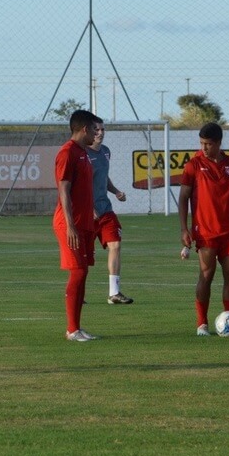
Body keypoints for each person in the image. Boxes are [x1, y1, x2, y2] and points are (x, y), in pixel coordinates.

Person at [179, 122, 229, 336]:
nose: (204, 148)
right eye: (201, 143)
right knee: (206, 275)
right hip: (206, 232)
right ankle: (202, 323)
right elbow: (183, 198)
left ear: (219, 143)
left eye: (208, 144)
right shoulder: (193, 165)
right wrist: (184, 229)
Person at [53, 109, 102, 342]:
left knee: (83, 273)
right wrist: (71, 225)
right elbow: (63, 189)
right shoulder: (67, 153)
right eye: (94, 129)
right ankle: (71, 330)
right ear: (84, 129)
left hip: (85, 223)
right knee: (78, 271)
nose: (97, 132)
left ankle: (77, 328)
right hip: (70, 224)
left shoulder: (83, 153)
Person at [86, 120, 134, 304]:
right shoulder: (82, 154)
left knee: (115, 245)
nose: (100, 133)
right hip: (87, 215)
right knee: (85, 256)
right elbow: (76, 186)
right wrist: (88, 208)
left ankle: (114, 293)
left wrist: (116, 192)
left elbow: (103, 177)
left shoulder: (105, 151)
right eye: (96, 129)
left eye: (102, 129)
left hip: (106, 211)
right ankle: (78, 293)